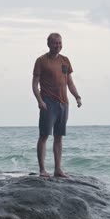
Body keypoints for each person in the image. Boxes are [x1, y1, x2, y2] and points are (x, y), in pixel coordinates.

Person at [32, 33, 82, 178]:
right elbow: (35, 84)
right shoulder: (41, 61)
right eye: (55, 43)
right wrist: (40, 101)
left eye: (60, 43)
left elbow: (69, 82)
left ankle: (58, 169)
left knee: (59, 136)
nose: (58, 46)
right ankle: (42, 169)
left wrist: (77, 96)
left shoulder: (65, 61)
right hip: (48, 102)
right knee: (44, 135)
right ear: (48, 44)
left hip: (63, 103)